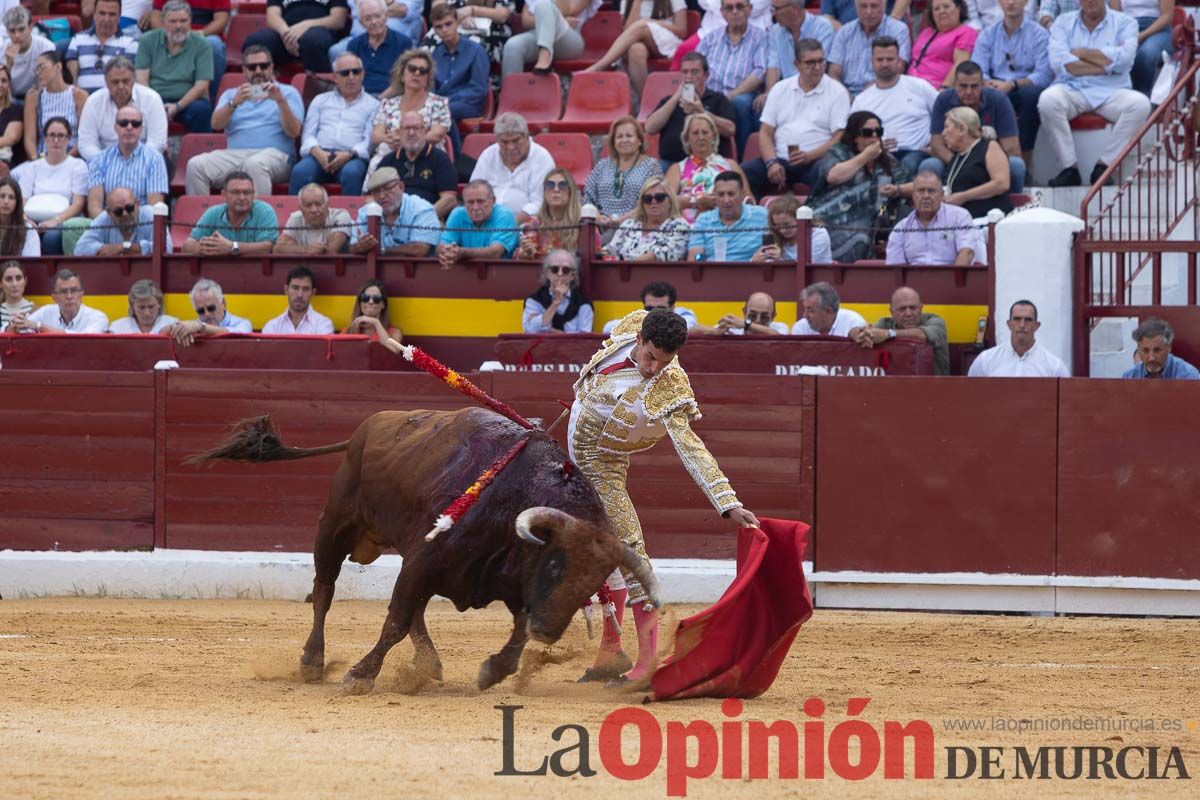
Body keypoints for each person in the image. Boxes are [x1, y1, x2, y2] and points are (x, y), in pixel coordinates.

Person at [570, 307, 758, 685]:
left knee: (630, 552)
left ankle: (647, 662)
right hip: (573, 456)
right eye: (651, 357)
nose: (654, 368)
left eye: (665, 361)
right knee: (601, 555)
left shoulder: (670, 386)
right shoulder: (628, 327)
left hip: (602, 466)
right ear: (639, 338)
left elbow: (692, 448)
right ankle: (610, 649)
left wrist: (728, 502)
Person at [1039, 0, 1150, 187]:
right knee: (1047, 100)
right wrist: (1107, 65)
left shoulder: (1126, 22)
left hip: (1112, 91)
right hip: (1073, 88)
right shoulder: (1062, 22)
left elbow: (1125, 61)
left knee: (1140, 104)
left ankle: (1105, 166)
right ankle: (1069, 168)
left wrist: (1080, 53)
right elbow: (1060, 64)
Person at [184, 46, 304, 196]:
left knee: (254, 164)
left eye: (264, 66)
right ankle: (203, 219)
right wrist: (234, 103)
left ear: (272, 67)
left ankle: (260, 219)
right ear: (244, 70)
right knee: (196, 165)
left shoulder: (287, 93)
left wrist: (280, 101)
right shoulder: (231, 95)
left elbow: (294, 132)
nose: (258, 71)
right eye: (252, 67)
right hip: (235, 155)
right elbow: (216, 125)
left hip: (275, 157)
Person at [741, 38, 848, 197]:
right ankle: (752, 217)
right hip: (781, 159)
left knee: (828, 173)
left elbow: (839, 137)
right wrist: (771, 163)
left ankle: (817, 220)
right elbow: (765, 132)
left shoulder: (837, 91)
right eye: (810, 62)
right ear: (797, 64)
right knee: (741, 174)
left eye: (821, 61)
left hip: (817, 160)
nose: (818, 67)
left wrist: (809, 156)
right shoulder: (780, 88)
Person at [809, 110, 911, 262]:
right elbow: (833, 176)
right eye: (868, 132)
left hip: (869, 225)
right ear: (855, 136)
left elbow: (915, 185)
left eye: (879, 132)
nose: (875, 137)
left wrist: (897, 190)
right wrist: (865, 156)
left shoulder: (886, 160)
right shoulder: (838, 151)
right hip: (831, 218)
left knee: (864, 233)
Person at [972, 0, 1052, 170]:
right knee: (987, 94)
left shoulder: (1039, 34)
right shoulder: (987, 34)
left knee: (1031, 95)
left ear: (1026, 2)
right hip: (996, 85)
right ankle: (986, 162)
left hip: (1024, 86)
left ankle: (1024, 161)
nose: (1011, 2)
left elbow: (1044, 75)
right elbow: (978, 69)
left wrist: (1012, 84)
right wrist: (990, 83)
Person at [923, 61, 1027, 192]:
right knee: (929, 165)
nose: (968, 91)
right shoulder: (943, 100)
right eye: (963, 86)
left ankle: (1014, 206)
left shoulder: (999, 100)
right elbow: (937, 146)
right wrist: (963, 166)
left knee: (1016, 165)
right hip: (952, 160)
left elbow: (1012, 149)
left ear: (983, 84)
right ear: (954, 84)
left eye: (974, 86)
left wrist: (982, 166)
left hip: (992, 162)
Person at [290, 53, 379, 197]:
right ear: (335, 77)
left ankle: (352, 220)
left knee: (352, 173)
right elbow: (308, 135)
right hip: (319, 154)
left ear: (363, 75)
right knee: (301, 172)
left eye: (356, 72)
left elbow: (368, 142)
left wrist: (349, 154)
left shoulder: (374, 105)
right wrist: (318, 153)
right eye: (345, 73)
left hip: (352, 157)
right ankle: (294, 218)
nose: (351, 77)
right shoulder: (320, 100)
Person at [851, 36, 940, 175]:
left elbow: (945, 114)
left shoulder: (920, 87)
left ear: (899, 61)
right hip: (877, 156)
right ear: (872, 62)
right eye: (880, 60)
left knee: (907, 163)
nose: (885, 64)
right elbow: (853, 136)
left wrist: (935, 144)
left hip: (916, 153)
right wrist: (874, 146)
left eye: (890, 59)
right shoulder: (862, 100)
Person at [696, 0, 769, 158]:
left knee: (740, 103)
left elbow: (760, 71)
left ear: (749, 10)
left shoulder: (760, 37)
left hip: (741, 95)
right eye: (729, 8)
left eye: (740, 7)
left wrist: (730, 96)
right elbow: (695, 68)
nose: (735, 11)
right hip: (711, 96)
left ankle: (742, 158)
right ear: (722, 12)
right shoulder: (710, 39)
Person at [133, 0, 214, 135]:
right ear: (163, 22)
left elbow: (202, 85)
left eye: (183, 21)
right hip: (155, 98)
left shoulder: (202, 45)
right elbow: (141, 79)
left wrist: (178, 106)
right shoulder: (147, 40)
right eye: (173, 21)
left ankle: (199, 153)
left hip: (187, 101)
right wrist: (156, 105)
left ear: (190, 22)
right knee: (134, 109)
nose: (179, 26)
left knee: (202, 110)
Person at [582, 0, 690, 100]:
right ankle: (646, 102)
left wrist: (650, 23)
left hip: (668, 41)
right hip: (639, 41)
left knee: (641, 26)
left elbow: (681, 30)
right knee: (636, 51)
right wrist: (637, 3)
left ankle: (601, 65)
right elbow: (627, 30)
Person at [644, 52, 736, 166]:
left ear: (706, 76)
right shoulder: (669, 101)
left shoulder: (718, 99)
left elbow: (730, 129)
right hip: (670, 163)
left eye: (695, 72)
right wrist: (676, 98)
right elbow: (649, 127)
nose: (689, 76)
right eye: (685, 72)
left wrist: (702, 112)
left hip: (707, 163)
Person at [14, 118, 87, 255]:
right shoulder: (33, 167)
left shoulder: (78, 166)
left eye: (61, 136)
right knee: (23, 233)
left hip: (63, 220)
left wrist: (55, 220)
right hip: (31, 219)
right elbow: (21, 200)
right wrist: (26, 219)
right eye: (52, 135)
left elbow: (78, 204)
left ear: (69, 139)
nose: (56, 140)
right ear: (45, 138)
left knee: (51, 238)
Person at [77, 57, 168, 162]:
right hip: (104, 163)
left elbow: (157, 141)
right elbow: (86, 143)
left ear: (134, 80)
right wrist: (106, 162)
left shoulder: (152, 99)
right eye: (115, 82)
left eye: (125, 81)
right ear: (106, 82)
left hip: (145, 161)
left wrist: (136, 161)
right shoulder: (93, 102)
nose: (121, 86)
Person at [468, 112, 555, 221]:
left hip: (524, 226)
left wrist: (507, 225)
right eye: (504, 142)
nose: (510, 147)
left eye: (516, 140)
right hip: (484, 220)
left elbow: (539, 203)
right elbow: (473, 191)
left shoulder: (542, 158)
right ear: (497, 139)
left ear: (527, 137)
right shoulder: (488, 154)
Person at [84, 106, 167, 217]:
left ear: (141, 129)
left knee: (149, 211)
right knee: (74, 225)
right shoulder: (99, 159)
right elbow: (94, 208)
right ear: (115, 128)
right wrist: (112, 226)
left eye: (135, 124)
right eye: (123, 123)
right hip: (108, 225)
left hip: (142, 225)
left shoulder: (155, 159)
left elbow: (154, 207)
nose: (129, 127)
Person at [583, 116, 663, 232]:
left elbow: (653, 201)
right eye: (619, 137)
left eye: (629, 136)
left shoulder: (651, 165)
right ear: (613, 142)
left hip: (636, 226)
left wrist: (622, 219)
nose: (624, 140)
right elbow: (587, 198)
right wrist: (598, 217)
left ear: (639, 141)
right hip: (601, 227)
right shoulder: (602, 165)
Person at [370, 49, 451, 163]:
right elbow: (376, 136)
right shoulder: (387, 104)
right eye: (412, 69)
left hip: (426, 158)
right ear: (402, 75)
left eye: (422, 71)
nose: (417, 73)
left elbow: (436, 135)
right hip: (389, 156)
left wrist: (404, 141)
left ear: (428, 79)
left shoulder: (439, 103)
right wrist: (387, 138)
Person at [664, 111, 746, 223]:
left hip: (727, 225)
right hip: (689, 229)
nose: (701, 137)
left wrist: (723, 200)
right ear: (687, 138)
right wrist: (694, 201)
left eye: (705, 132)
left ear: (713, 136)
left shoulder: (730, 165)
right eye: (695, 133)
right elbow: (665, 202)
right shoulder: (677, 168)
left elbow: (747, 199)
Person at [848, 285, 950, 374]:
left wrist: (888, 334)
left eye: (913, 308)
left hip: (935, 389)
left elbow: (921, 335)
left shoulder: (936, 321)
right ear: (891, 312)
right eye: (902, 309)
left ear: (921, 308)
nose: (909, 314)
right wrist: (857, 334)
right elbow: (865, 331)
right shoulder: (885, 323)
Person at [932, 105, 1012, 217]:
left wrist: (963, 196)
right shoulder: (957, 157)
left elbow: (1001, 183)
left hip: (988, 220)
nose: (943, 133)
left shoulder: (989, 146)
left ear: (961, 129)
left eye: (947, 127)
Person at [376, 110, 457, 221]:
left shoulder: (441, 159)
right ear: (399, 132)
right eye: (406, 128)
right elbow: (371, 197)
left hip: (426, 223)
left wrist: (422, 218)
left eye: (416, 128)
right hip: (393, 221)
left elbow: (449, 199)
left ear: (425, 131)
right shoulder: (388, 160)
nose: (411, 133)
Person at [886, 171, 979, 265]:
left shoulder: (959, 216)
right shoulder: (901, 228)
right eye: (921, 191)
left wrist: (955, 279)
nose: (926, 196)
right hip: (915, 278)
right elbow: (895, 267)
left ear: (942, 195)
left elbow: (967, 252)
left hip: (951, 277)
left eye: (931, 191)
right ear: (913, 196)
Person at [349, 166, 441, 256]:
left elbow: (419, 249)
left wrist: (380, 250)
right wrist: (359, 247)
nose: (381, 196)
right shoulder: (365, 212)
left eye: (387, 189)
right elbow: (352, 247)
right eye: (376, 191)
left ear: (401, 187)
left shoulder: (421, 208)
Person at [420, 0, 515, 87]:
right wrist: (456, 18)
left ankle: (453, 90)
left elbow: (502, 15)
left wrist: (471, 11)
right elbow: (437, 7)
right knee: (428, 44)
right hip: (449, 22)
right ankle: (424, 88)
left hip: (488, 29)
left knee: (472, 48)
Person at [501, 0, 605, 78]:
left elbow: (570, 10)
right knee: (512, 46)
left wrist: (555, 18)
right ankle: (510, 100)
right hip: (538, 33)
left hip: (569, 36)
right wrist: (551, 19)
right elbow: (526, 21)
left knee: (544, 5)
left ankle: (544, 58)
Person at [182, 172, 278, 257]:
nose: (242, 197)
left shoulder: (265, 211)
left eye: (247, 192)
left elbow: (268, 247)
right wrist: (204, 247)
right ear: (224, 195)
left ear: (253, 195)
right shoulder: (213, 212)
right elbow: (187, 246)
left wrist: (232, 247)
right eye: (236, 192)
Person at [828, 0, 912, 95]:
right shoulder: (844, 32)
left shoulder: (898, 30)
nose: (868, 12)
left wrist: (864, 97)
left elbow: (897, 69)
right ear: (856, 7)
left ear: (883, 6)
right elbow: (833, 73)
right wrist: (844, 96)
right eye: (863, 6)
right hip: (845, 95)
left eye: (874, 6)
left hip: (883, 93)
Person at [764, 0, 836, 111]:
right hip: (784, 91)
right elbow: (773, 66)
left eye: (777, 9)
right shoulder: (775, 31)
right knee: (760, 104)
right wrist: (770, 93)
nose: (773, 14)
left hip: (814, 90)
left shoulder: (822, 28)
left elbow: (817, 68)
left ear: (795, 9)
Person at [968, 299, 1070, 376]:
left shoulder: (1054, 366)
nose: (1022, 325)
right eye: (1017, 319)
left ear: (1036, 326)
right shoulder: (985, 361)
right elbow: (970, 394)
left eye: (1028, 320)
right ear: (1009, 324)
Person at [148, 0, 230, 96]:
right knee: (147, 41)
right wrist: (168, 35)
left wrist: (199, 34)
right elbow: (155, 17)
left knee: (214, 44)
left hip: (203, 36)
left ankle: (213, 100)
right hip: (170, 35)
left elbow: (221, 20)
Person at [244, 0, 349, 74]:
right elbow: (272, 16)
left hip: (319, 30)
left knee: (312, 40)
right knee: (255, 42)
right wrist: (286, 34)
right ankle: (260, 91)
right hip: (286, 31)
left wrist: (306, 25)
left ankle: (318, 91)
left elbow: (338, 20)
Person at [604, 175, 691, 261]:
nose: (653, 202)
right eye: (647, 198)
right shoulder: (629, 224)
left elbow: (659, 256)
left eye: (659, 197)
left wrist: (626, 267)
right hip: (622, 272)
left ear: (670, 200)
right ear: (642, 203)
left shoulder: (679, 225)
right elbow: (609, 250)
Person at [687, 170, 768, 261]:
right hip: (713, 273)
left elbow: (770, 253)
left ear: (742, 194)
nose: (726, 200)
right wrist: (701, 259)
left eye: (731, 194)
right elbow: (694, 258)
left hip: (752, 272)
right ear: (714, 195)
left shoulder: (762, 216)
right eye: (721, 195)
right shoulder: (703, 220)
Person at [428, 3, 489, 124]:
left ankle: (453, 144)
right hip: (440, 105)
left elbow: (478, 90)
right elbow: (431, 88)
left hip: (469, 105)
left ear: (457, 22)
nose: (444, 30)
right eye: (439, 27)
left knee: (443, 111)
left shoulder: (476, 51)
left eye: (448, 24)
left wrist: (445, 101)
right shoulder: (435, 54)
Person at [437, 179, 520, 265]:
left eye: (480, 201)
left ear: (493, 201)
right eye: (470, 202)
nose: (475, 207)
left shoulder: (504, 215)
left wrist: (461, 252)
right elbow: (442, 246)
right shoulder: (457, 214)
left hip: (502, 272)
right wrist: (447, 252)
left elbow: (495, 252)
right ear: (464, 203)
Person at [22, 52, 88, 160]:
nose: (39, 73)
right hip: (43, 156)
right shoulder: (33, 97)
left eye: (42, 67)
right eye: (36, 70)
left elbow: (84, 137)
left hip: (71, 156)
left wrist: (65, 160)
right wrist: (35, 159)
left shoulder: (79, 95)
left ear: (58, 66)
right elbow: (29, 139)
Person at [66, 0, 139, 94]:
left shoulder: (130, 44)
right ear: (94, 15)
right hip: (83, 102)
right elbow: (72, 79)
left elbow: (130, 81)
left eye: (112, 14)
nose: (106, 19)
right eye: (102, 13)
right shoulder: (78, 39)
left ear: (119, 17)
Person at [74, 187, 171, 255]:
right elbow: (80, 249)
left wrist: (123, 247)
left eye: (129, 208)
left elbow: (166, 248)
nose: (125, 214)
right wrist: (106, 249)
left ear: (137, 204)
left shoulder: (150, 214)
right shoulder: (104, 218)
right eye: (118, 211)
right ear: (109, 212)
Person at [346, 0, 413, 97]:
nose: (374, 22)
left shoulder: (403, 43)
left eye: (378, 16)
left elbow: (402, 82)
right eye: (368, 18)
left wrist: (378, 100)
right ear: (361, 22)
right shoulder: (354, 45)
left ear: (386, 16)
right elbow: (350, 80)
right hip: (361, 98)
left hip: (392, 98)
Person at [11, 268, 109, 333]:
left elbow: (80, 340)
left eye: (74, 290)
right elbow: (20, 329)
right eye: (63, 292)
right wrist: (16, 323)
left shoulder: (98, 317)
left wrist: (38, 326)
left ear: (82, 293)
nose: (69, 296)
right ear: (54, 297)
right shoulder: (46, 312)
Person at [908, 0, 978, 88]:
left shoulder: (967, 33)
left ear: (958, 8)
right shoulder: (926, 32)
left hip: (935, 87)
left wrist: (944, 88)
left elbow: (960, 64)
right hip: (910, 83)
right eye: (936, 9)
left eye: (946, 7)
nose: (941, 11)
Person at [517, 167, 583, 260]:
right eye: (550, 185)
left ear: (570, 192)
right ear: (544, 192)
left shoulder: (583, 223)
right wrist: (526, 254)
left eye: (562, 185)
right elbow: (522, 258)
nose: (556, 189)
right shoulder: (534, 223)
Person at [522, 249, 594, 334]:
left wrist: (550, 331)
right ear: (547, 273)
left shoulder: (584, 305)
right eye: (555, 269)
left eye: (566, 270)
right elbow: (530, 331)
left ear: (572, 276)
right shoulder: (534, 301)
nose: (560, 274)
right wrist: (555, 303)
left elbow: (583, 339)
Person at [1111, 0, 1175, 96]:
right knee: (1114, 54)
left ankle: (1143, 96)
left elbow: (1167, 16)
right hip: (1128, 27)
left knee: (1145, 54)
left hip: (1158, 29)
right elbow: (1115, 14)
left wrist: (1141, 36)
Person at [166, 277, 253, 346]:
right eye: (200, 311)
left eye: (211, 308)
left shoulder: (243, 323)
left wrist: (201, 327)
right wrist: (176, 328)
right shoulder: (194, 326)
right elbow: (160, 333)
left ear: (223, 303)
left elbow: (237, 336)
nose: (207, 314)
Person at [275, 182, 354, 255]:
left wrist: (295, 248)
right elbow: (277, 249)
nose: (314, 210)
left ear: (327, 204)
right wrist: (306, 249)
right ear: (301, 208)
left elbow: (330, 250)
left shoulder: (340, 216)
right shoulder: (295, 218)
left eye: (318, 204)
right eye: (308, 205)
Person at [752, 194, 833, 262]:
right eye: (778, 225)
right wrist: (755, 261)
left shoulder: (819, 234)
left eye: (787, 225)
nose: (782, 230)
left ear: (799, 219)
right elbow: (768, 266)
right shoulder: (772, 235)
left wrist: (779, 261)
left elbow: (806, 265)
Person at [261, 265, 335, 335]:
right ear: (286, 290)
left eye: (306, 289)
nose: (300, 295)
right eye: (295, 288)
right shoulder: (272, 326)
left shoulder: (324, 324)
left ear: (313, 292)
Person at [600, 280, 698, 332]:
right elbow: (608, 328)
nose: (654, 313)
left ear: (672, 307)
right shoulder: (640, 317)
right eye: (649, 308)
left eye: (660, 309)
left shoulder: (684, 314)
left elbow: (687, 327)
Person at [1122, 317, 1199, 379]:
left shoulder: (1188, 376)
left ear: (1169, 348)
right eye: (1145, 350)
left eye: (1157, 350)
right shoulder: (1129, 377)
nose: (1151, 358)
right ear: (1138, 349)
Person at [3, 6, 55, 97]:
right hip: (10, 98)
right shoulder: (2, 49)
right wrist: (8, 65)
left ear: (30, 27)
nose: (17, 35)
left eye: (21, 29)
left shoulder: (46, 47)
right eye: (12, 31)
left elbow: (48, 82)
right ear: (7, 31)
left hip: (37, 96)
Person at [790, 280, 868, 335]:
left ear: (828, 311)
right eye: (805, 309)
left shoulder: (853, 323)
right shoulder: (801, 328)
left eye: (811, 310)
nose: (804, 315)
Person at [695, 291, 789, 334]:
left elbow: (776, 335)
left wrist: (746, 324)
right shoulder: (734, 328)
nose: (757, 320)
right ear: (744, 312)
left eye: (764, 317)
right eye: (752, 316)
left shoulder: (780, 327)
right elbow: (693, 330)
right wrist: (715, 331)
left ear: (773, 317)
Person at [108, 278, 178, 334]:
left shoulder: (172, 324)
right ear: (132, 307)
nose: (147, 313)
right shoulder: (117, 328)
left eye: (151, 307)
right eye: (141, 308)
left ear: (159, 304)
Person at [0, 177, 38, 256]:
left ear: (17, 202)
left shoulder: (29, 231)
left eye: (11, 197)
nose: (6, 201)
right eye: (2, 196)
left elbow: (32, 263)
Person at [0, 64, 22, 175]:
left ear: (9, 84)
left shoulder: (15, 109)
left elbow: (10, 139)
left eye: (3, 81)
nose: (0, 84)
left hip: (6, 163)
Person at [0, 259, 31, 330]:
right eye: (9, 279)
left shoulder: (37, 310)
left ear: (25, 281)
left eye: (18, 278)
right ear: (1, 283)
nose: (14, 284)